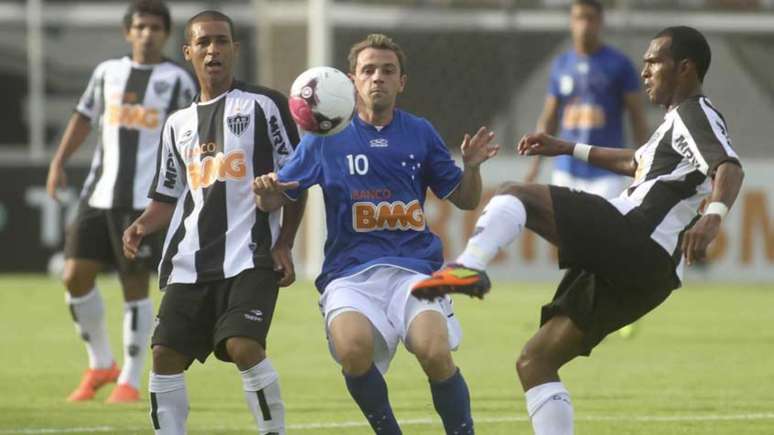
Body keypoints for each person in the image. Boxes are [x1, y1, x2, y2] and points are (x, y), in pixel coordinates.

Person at [412, 26, 744, 435]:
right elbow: (634, 163)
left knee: (517, 193)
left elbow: (727, 166)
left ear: (686, 67)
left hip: (636, 235)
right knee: (535, 362)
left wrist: (713, 216)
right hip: (648, 275)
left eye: (654, 61)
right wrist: (567, 147)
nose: (644, 72)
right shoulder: (675, 123)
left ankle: (469, 265)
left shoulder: (695, 112)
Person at [253, 34, 499, 434]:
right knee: (352, 350)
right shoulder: (322, 139)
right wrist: (265, 194)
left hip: (414, 271)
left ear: (402, 81)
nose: (378, 78)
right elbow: (277, 199)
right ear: (352, 80)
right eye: (368, 70)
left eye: (388, 70)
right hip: (350, 275)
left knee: (433, 350)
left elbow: (466, 201)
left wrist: (471, 168)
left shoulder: (419, 132)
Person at [122, 10, 304, 435]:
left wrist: (284, 241)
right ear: (188, 52)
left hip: (251, 254)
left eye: (221, 41)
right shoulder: (176, 124)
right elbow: (167, 196)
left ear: (235, 49)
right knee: (165, 353)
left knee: (244, 346)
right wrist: (142, 225)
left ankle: (272, 432)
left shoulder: (265, 105)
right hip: (190, 260)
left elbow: (297, 178)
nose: (212, 50)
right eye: (203, 42)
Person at [46, 0, 196, 403]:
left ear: (166, 34)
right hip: (99, 194)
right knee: (74, 276)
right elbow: (82, 117)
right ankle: (101, 364)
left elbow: (193, 132)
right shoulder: (107, 73)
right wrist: (58, 162)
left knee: (134, 286)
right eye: (140, 27)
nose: (147, 34)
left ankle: (130, 378)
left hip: (144, 202)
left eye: (155, 28)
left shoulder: (179, 80)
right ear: (127, 32)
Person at [525, 0, 648, 200]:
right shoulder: (561, 64)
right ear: (571, 22)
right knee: (564, 230)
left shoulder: (620, 64)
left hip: (607, 171)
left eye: (590, 18)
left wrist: (644, 167)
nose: (584, 25)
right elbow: (549, 118)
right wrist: (535, 166)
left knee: (601, 231)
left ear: (600, 22)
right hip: (567, 168)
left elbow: (637, 119)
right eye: (579, 18)